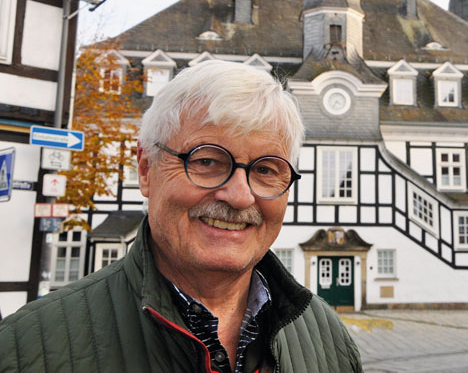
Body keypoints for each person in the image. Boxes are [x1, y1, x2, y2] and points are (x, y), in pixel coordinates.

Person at [0, 60, 363, 373]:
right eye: (206, 161)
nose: (239, 196)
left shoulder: (325, 336)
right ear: (145, 170)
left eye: (266, 170)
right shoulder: (26, 347)